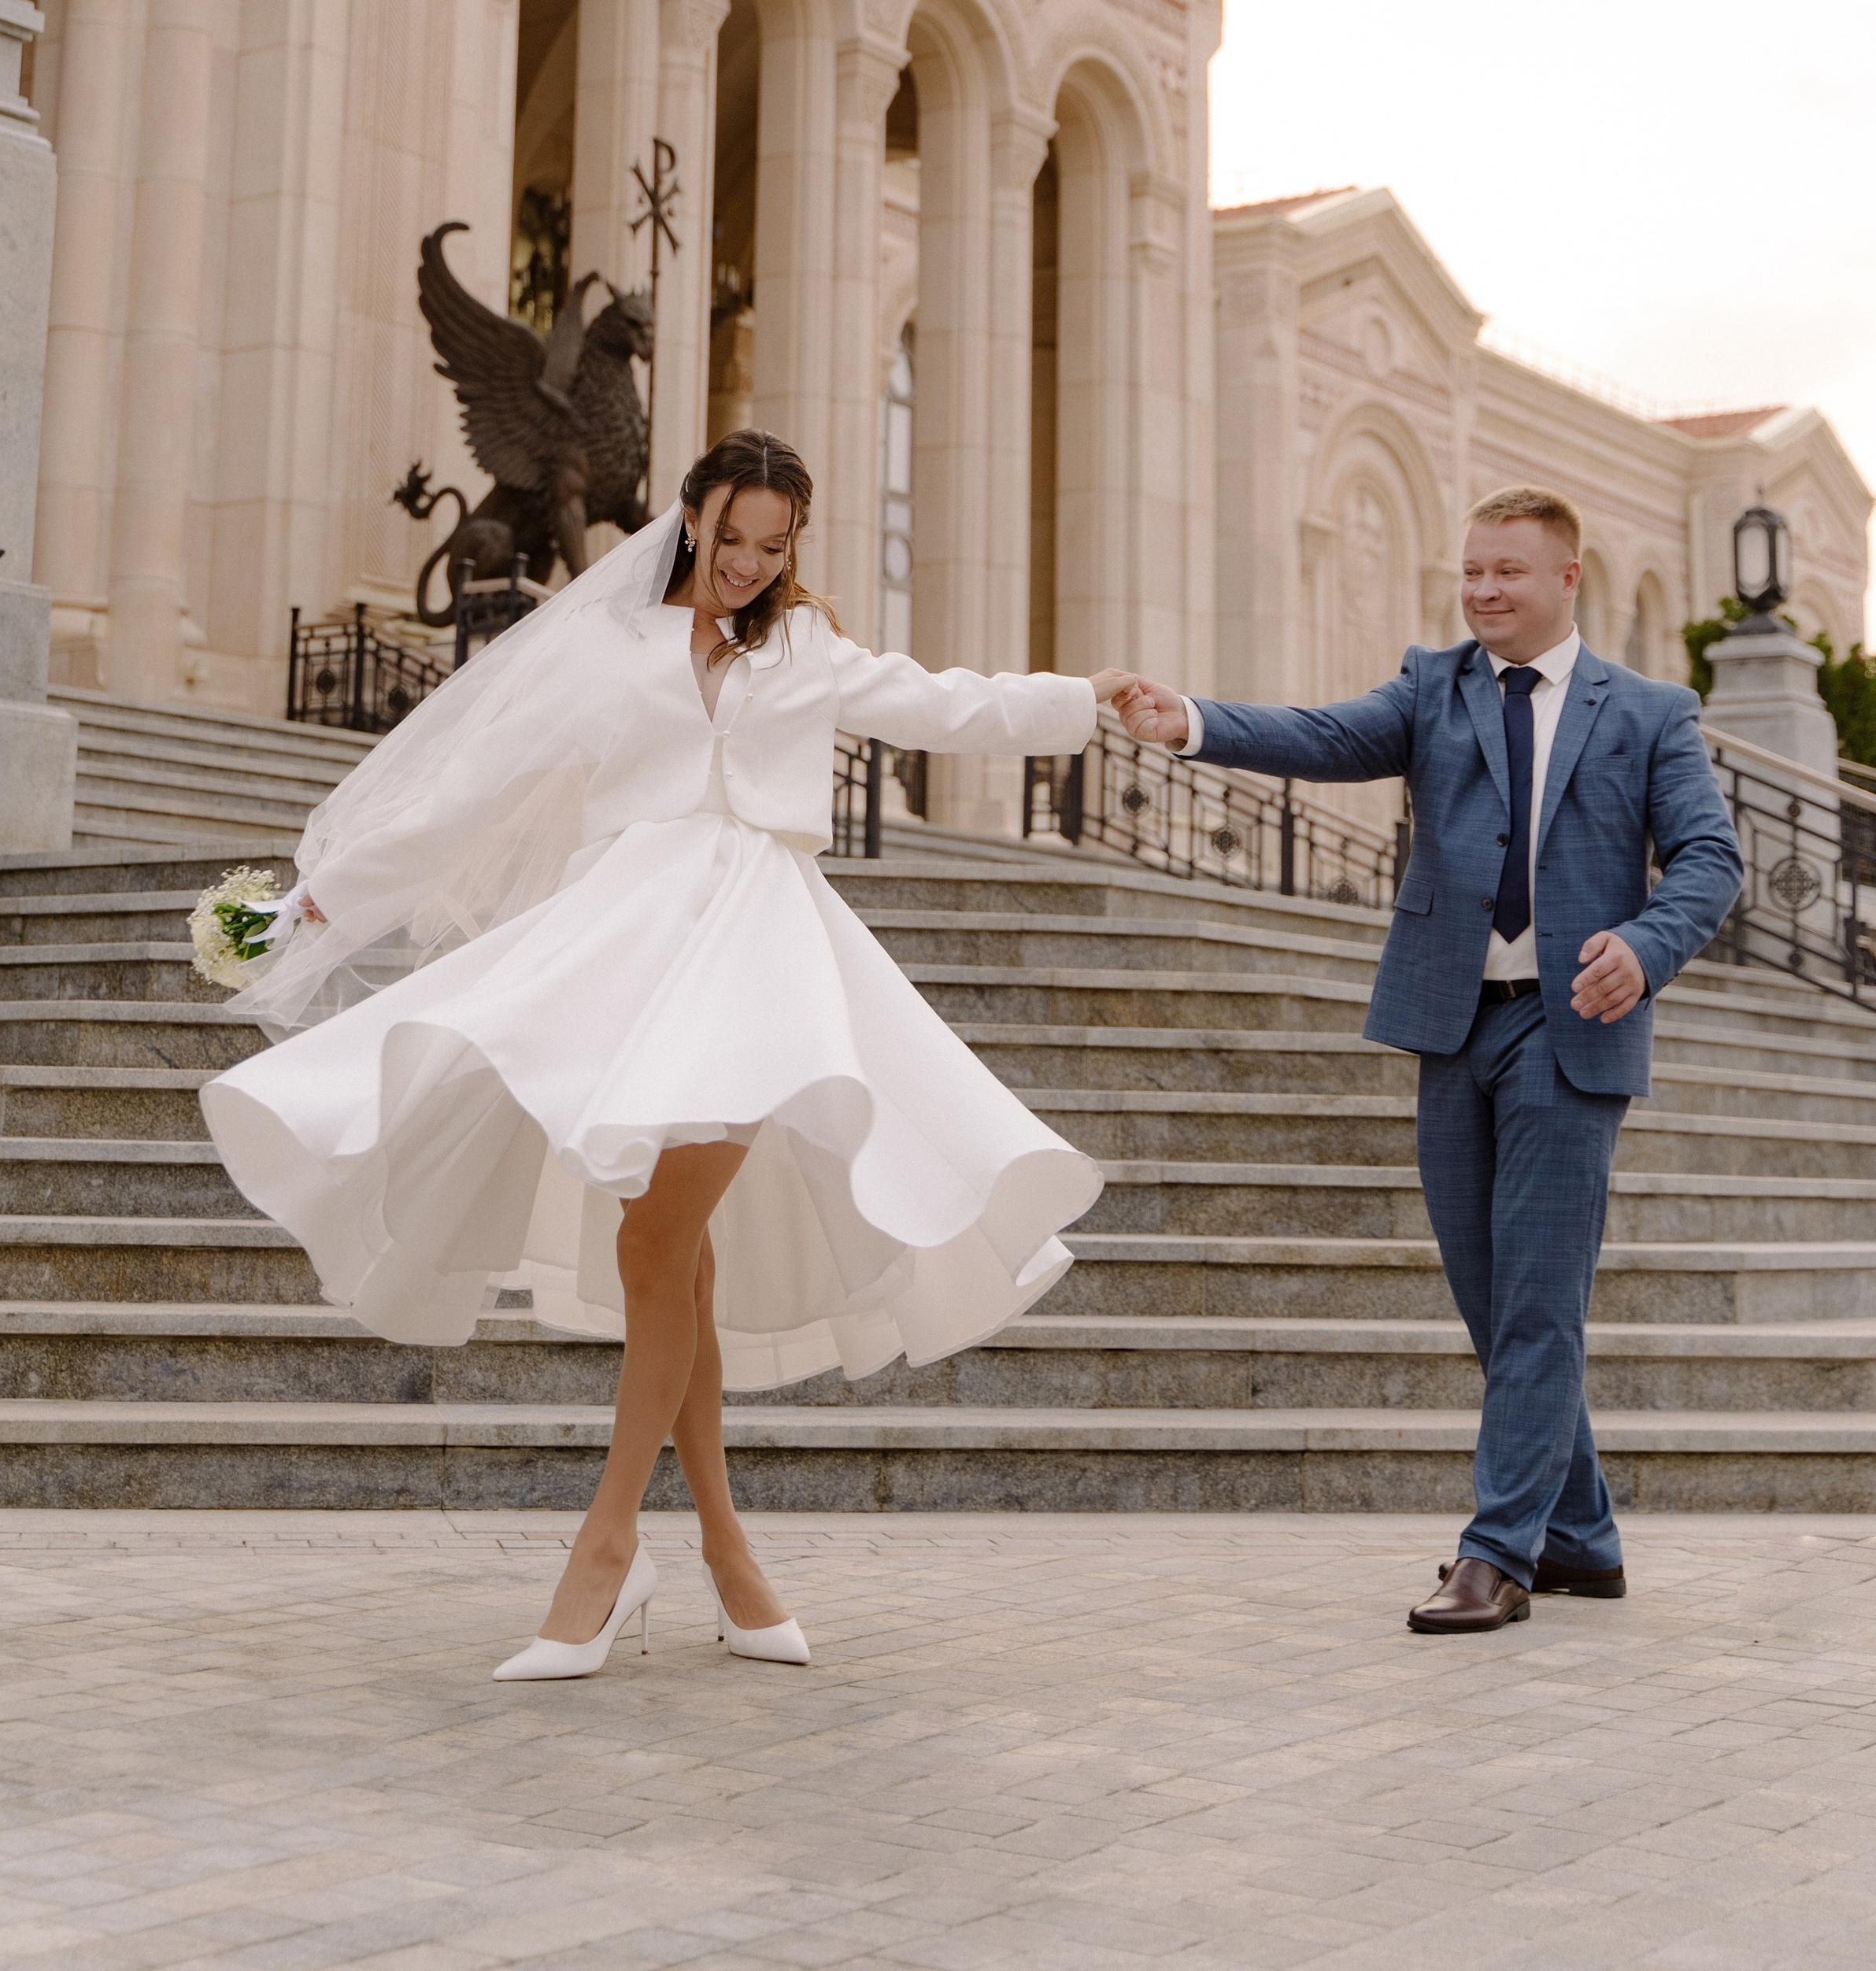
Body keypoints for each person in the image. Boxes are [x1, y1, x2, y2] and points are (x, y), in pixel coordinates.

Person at [204, 431, 1134, 1679]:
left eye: (776, 546)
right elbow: (467, 793)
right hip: (623, 946)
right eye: (735, 536)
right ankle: (729, 1557)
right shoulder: (608, 648)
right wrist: (314, 903)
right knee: (672, 1257)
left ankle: (604, 1547)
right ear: (692, 518)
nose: (751, 565)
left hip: (758, 956)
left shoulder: (806, 649)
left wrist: (1085, 702)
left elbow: (942, 700)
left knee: (657, 1241)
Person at [1111, 484, 1742, 1635]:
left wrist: (1647, 950)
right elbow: (1322, 736)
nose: (1485, 591)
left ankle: (1496, 1552)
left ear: (1567, 581)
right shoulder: (1432, 685)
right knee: (1493, 1298)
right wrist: (1189, 721)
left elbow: (1709, 858)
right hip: (1453, 1023)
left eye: (1508, 571)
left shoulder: (1649, 711)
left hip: (1572, 1032)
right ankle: (1583, 1538)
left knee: (1540, 1303)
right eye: (1472, 572)